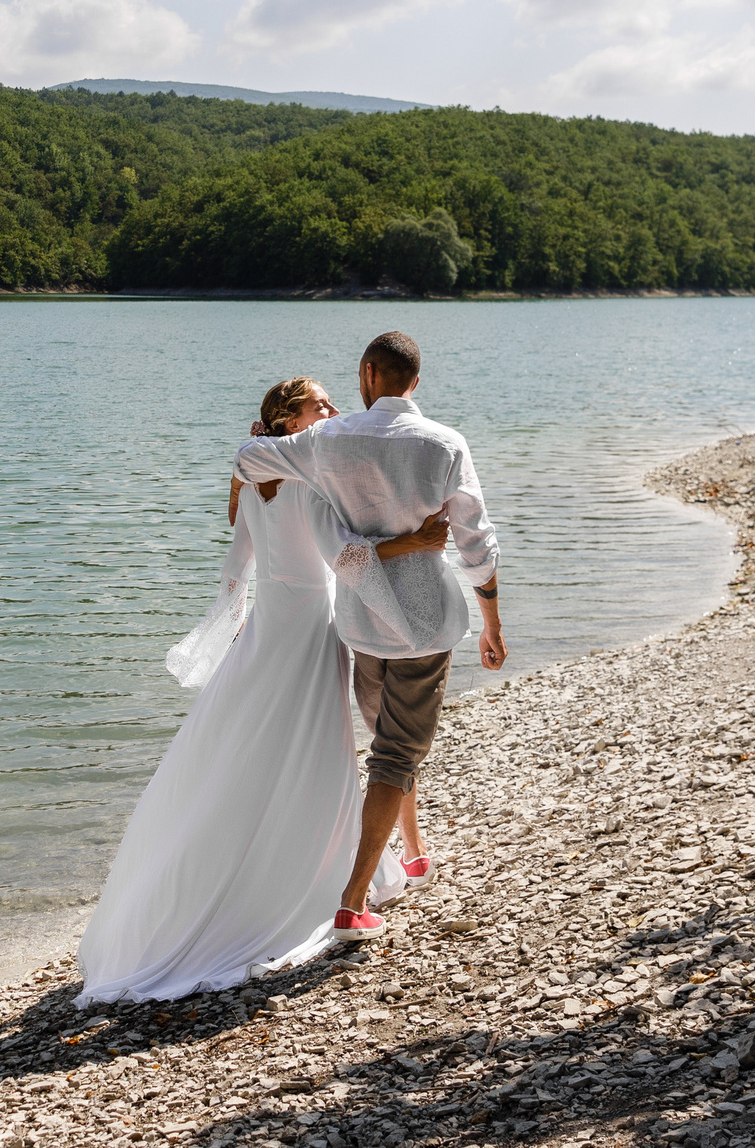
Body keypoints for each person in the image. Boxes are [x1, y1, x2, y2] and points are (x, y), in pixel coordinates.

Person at [74, 377, 449, 1005]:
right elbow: (348, 560)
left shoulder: (253, 479)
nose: (331, 411)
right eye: (320, 404)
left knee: (246, 752)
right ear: (288, 416)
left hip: (265, 636)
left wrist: (230, 621)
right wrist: (412, 570)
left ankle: (391, 853)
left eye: (332, 402)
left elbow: (237, 563)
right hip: (306, 636)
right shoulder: (312, 480)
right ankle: (320, 878)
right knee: (317, 752)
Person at [232, 330, 504, 942]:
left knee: (388, 743)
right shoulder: (445, 443)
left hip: (360, 624)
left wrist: (268, 443)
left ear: (369, 373)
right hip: (424, 626)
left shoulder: (327, 440)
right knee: (396, 754)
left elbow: (249, 463)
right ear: (413, 381)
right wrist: (491, 622)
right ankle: (354, 899)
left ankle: (409, 856)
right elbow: (476, 543)